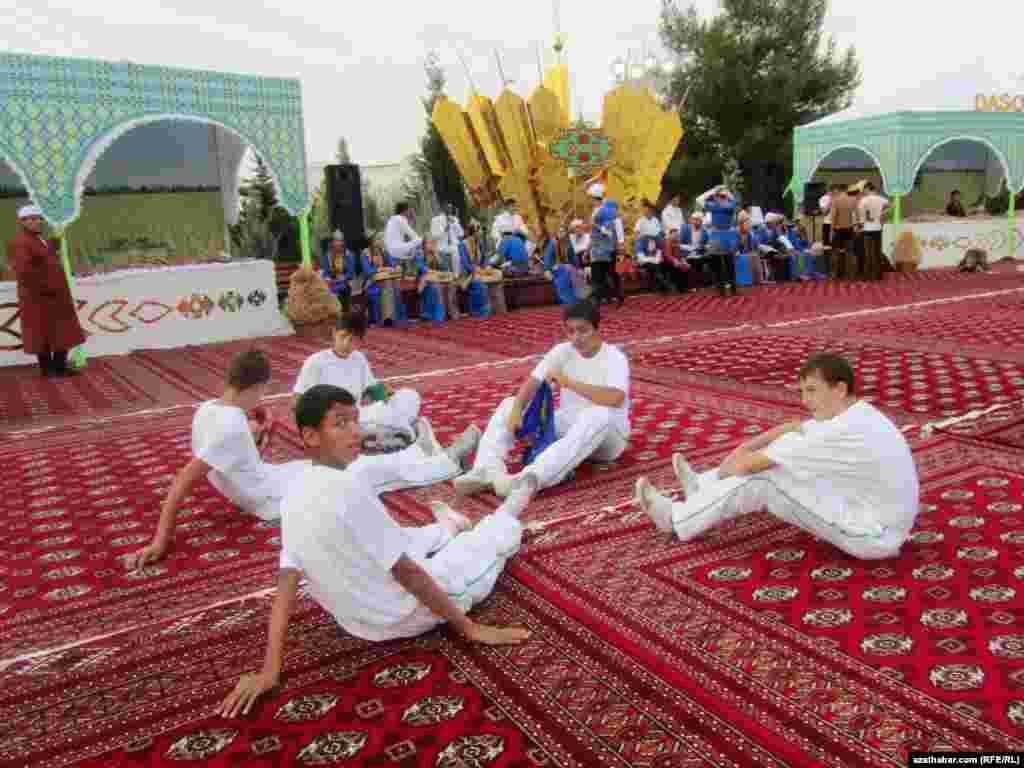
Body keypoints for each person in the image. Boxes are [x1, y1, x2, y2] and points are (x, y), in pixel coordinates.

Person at [218, 384, 533, 717]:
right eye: (341, 423)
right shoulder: (348, 489)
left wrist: (270, 670)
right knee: (482, 549)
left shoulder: (294, 490)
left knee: (394, 538)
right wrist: (468, 627)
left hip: (355, 622)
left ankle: (447, 529)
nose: (355, 431)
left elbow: (286, 581)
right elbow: (407, 572)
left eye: (355, 420)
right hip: (400, 615)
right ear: (310, 436)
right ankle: (511, 509)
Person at [634, 353, 919, 560]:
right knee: (786, 460)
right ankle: (702, 485)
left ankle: (676, 518)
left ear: (840, 389)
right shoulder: (856, 414)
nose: (805, 400)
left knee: (765, 478)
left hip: (874, 535)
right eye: (802, 391)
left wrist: (746, 453)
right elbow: (787, 438)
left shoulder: (840, 430)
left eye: (812, 390)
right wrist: (781, 431)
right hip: (876, 518)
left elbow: (745, 464)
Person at [124, 348, 308, 570]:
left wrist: (256, 427)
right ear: (258, 387)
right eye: (262, 391)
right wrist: (159, 542)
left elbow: (233, 445)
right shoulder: (232, 428)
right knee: (334, 475)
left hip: (252, 484)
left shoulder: (208, 407)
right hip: (267, 499)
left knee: (307, 466)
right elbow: (183, 479)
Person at [455, 299, 630, 498]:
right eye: (570, 331)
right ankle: (486, 469)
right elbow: (533, 382)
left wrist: (568, 383)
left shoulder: (614, 358)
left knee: (599, 414)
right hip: (570, 426)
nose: (576, 337)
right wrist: (516, 411)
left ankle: (531, 478)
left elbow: (615, 398)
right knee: (509, 404)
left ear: (597, 329)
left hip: (609, 436)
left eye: (583, 330)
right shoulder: (562, 351)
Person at [7, 205, 85, 377]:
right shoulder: (21, 242)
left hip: (52, 295)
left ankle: (59, 366)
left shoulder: (35, 239)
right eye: (32, 219)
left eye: (39, 218)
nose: (38, 222)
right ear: (22, 222)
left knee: (59, 331)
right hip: (40, 298)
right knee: (42, 332)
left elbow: (44, 254)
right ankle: (48, 369)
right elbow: (25, 273)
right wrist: (49, 288)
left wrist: (55, 239)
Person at [588, 183, 626, 306]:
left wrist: (621, 243)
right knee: (598, 273)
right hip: (597, 247)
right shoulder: (595, 211)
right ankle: (599, 297)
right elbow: (593, 232)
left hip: (607, 247)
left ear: (596, 198)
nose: (590, 201)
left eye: (591, 198)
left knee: (610, 272)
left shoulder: (608, 211)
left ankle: (618, 294)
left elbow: (611, 230)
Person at [635, 199, 671, 293]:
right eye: (646, 210)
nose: (648, 212)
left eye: (650, 211)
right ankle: (663, 285)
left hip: (655, 249)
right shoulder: (640, 221)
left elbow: (660, 234)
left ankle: (662, 286)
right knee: (653, 266)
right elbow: (637, 235)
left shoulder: (655, 221)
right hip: (645, 254)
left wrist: (657, 254)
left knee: (661, 264)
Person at [858, 182, 890, 281]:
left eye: (864, 190)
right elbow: (892, 205)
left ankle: (867, 276)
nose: (863, 192)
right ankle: (878, 275)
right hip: (878, 228)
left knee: (867, 253)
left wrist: (860, 226)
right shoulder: (881, 199)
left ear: (867, 189)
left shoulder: (863, 200)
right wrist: (882, 214)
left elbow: (861, 215)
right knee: (877, 252)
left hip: (867, 229)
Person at [320, 230, 356, 300]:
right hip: (332, 282)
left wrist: (339, 280)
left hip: (346, 282)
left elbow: (350, 273)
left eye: (340, 241)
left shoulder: (349, 255)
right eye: (336, 240)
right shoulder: (327, 255)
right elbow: (325, 272)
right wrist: (327, 279)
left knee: (339, 290)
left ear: (343, 242)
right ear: (332, 242)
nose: (338, 243)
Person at [829, 183, 854, 279]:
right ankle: (850, 273)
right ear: (847, 189)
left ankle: (835, 273)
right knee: (849, 252)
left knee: (836, 251)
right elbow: (855, 215)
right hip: (849, 228)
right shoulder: (852, 200)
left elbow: (833, 216)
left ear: (839, 190)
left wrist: (831, 230)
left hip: (838, 229)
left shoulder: (836, 200)